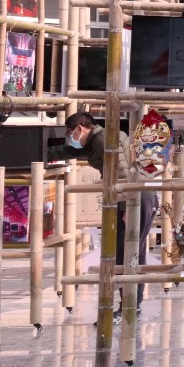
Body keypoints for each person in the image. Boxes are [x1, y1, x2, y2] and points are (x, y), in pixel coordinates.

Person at [64, 111, 149, 309]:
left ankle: (129, 306)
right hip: (135, 198)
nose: (70, 138)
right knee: (129, 253)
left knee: (127, 254)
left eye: (69, 133)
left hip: (133, 200)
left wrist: (128, 207)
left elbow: (122, 174)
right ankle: (130, 305)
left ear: (79, 129)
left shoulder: (103, 140)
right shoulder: (99, 139)